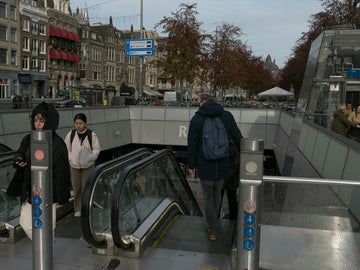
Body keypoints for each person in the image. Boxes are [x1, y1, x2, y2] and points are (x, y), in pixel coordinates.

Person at [10, 102, 71, 239]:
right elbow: (20, 152)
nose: (37, 124)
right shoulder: (29, 139)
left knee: (47, 226)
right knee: (25, 223)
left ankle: (45, 252)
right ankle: (44, 246)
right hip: (30, 189)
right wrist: (19, 159)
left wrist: (62, 195)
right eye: (35, 120)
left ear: (50, 122)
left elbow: (63, 172)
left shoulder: (58, 144)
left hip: (49, 192)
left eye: (42, 121)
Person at [187, 93, 243, 241]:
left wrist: (192, 166)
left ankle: (213, 228)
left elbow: (192, 145)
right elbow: (238, 138)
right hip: (222, 163)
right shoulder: (227, 116)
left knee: (207, 197)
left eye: (198, 102)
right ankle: (213, 220)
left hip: (205, 164)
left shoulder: (197, 119)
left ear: (203, 102)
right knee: (217, 194)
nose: (198, 104)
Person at [65, 113, 100, 217]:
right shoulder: (71, 135)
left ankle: (86, 208)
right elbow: (66, 147)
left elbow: (96, 149)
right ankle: (78, 209)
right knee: (76, 189)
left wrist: (90, 158)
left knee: (86, 188)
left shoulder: (91, 135)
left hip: (88, 166)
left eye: (80, 123)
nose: (78, 126)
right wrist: (70, 158)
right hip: (74, 166)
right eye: (76, 123)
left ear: (85, 123)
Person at [221, 139, 240, 220]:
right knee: (232, 198)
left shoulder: (222, 144)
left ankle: (214, 220)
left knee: (218, 199)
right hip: (232, 178)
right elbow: (236, 163)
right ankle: (234, 219)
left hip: (221, 177)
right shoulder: (235, 145)